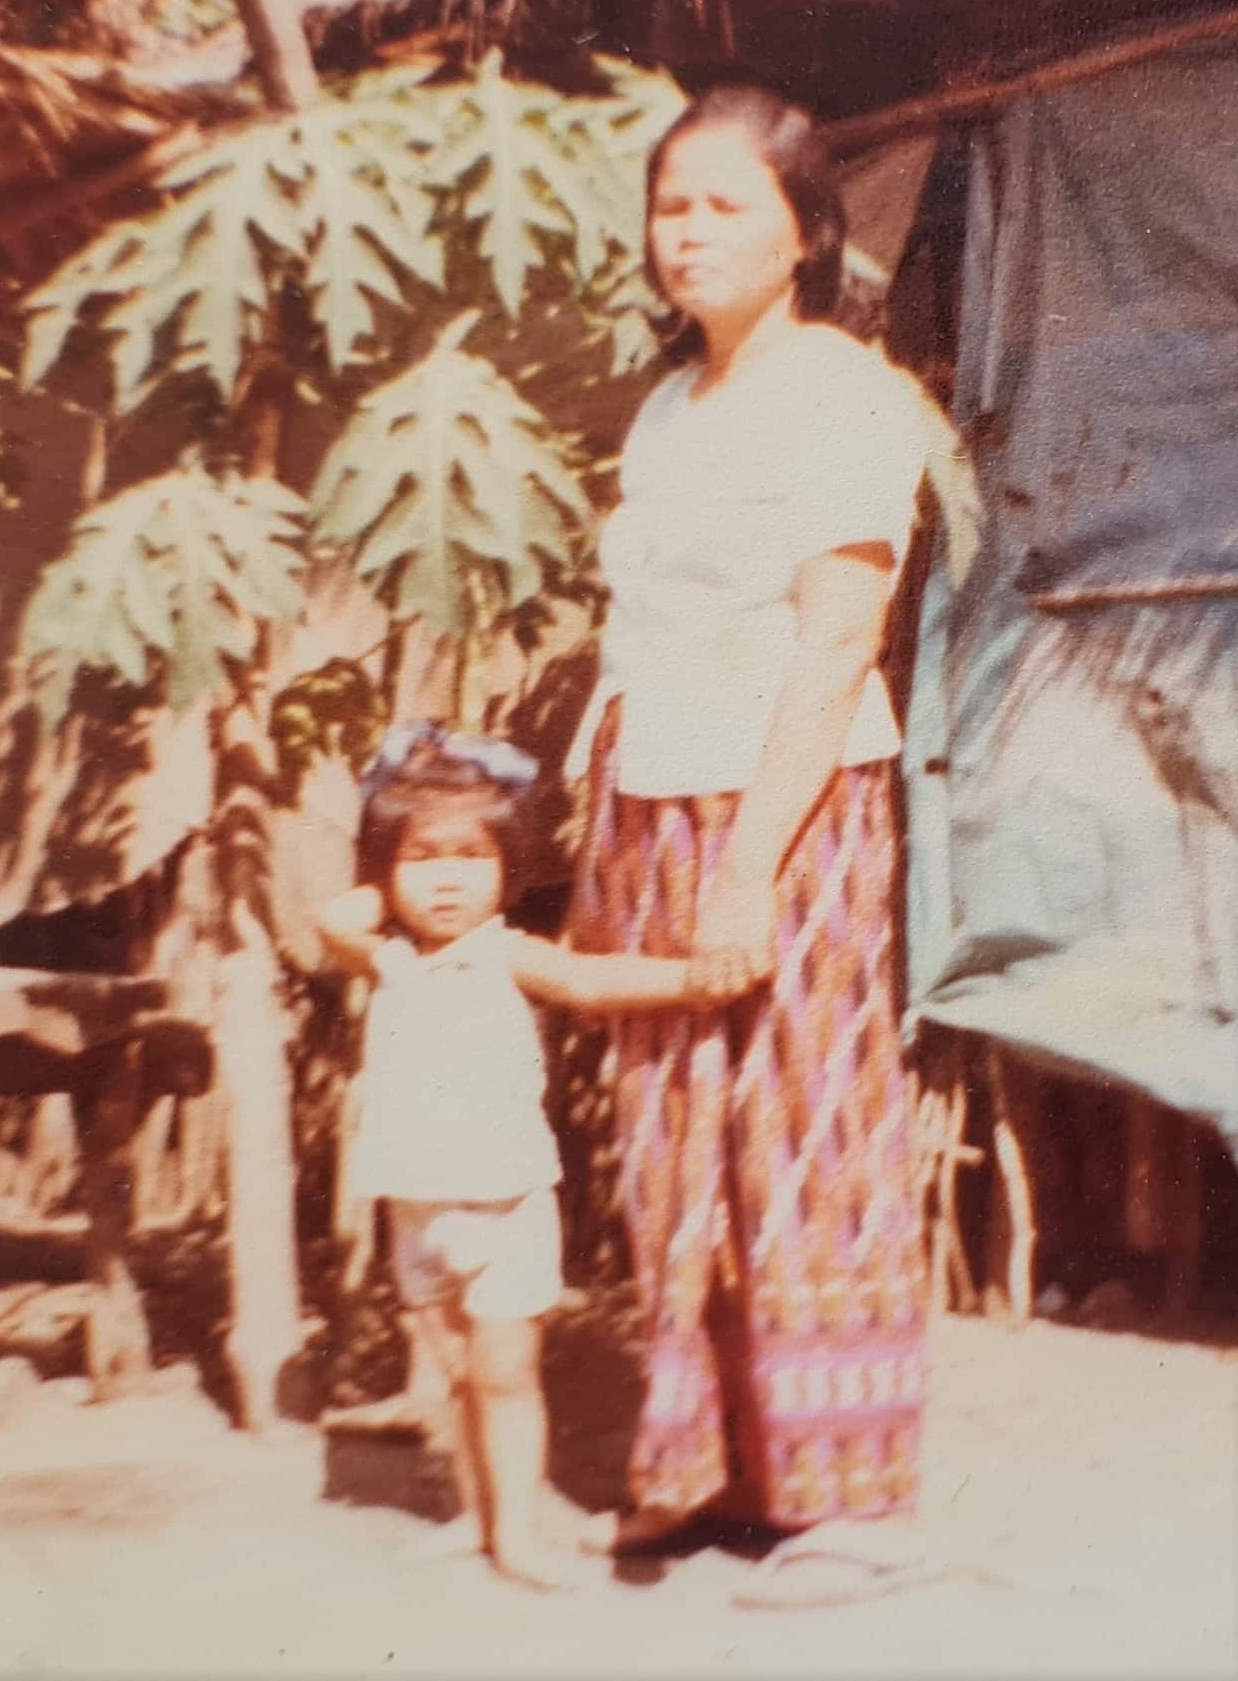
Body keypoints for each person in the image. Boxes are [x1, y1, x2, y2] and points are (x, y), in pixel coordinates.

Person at [566, 85, 962, 1603]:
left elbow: (836, 638)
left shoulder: (843, 396)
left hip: (785, 808)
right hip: (651, 799)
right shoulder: (671, 407)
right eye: (672, 202)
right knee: (673, 1133)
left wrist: (748, 866)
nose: (689, 230)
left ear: (805, 233)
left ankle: (852, 1503)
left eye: (727, 204)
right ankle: (710, 1464)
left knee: (802, 1126)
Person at [318, 723, 753, 1593]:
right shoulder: (389, 962)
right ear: (385, 871)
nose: (448, 877)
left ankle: (514, 1532)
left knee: (506, 1373)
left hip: (505, 1205)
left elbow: (592, 983)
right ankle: (474, 1518)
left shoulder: (504, 953)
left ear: (508, 868)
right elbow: (334, 920)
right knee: (452, 1377)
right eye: (424, 859)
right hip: (415, 1207)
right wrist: (394, 840)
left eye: (474, 857)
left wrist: (697, 982)